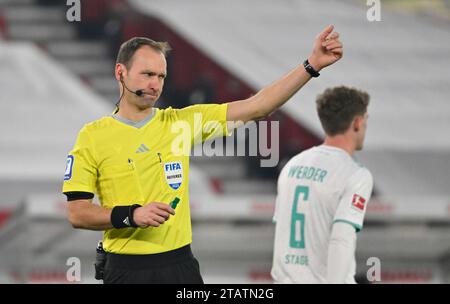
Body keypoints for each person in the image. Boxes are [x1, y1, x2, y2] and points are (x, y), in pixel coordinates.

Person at [62, 25, 343, 284]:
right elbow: (78, 213)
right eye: (147, 74)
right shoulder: (93, 136)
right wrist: (132, 215)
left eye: (161, 76)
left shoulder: (180, 123)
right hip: (125, 270)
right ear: (120, 72)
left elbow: (258, 106)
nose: (155, 84)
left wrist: (311, 65)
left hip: (180, 265)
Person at [271, 86, 373, 284]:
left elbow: (282, 234)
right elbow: (342, 238)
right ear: (357, 122)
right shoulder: (356, 175)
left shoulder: (292, 166)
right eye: (366, 120)